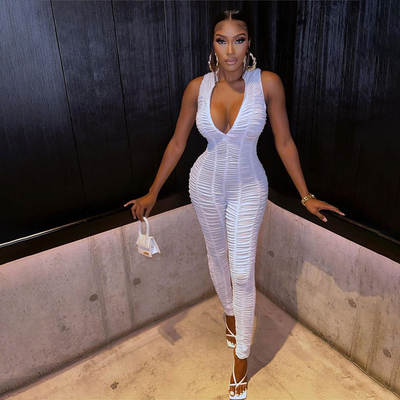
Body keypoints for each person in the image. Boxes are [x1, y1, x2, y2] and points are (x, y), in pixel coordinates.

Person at [124, 9, 345, 399]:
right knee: (217, 254)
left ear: (249, 44)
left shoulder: (267, 84)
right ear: (212, 44)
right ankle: (229, 312)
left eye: (238, 40)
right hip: (205, 184)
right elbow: (177, 143)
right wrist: (153, 191)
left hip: (249, 187)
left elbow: (284, 143)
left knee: (242, 273)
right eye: (221, 40)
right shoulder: (197, 88)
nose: (230, 50)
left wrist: (306, 196)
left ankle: (241, 358)